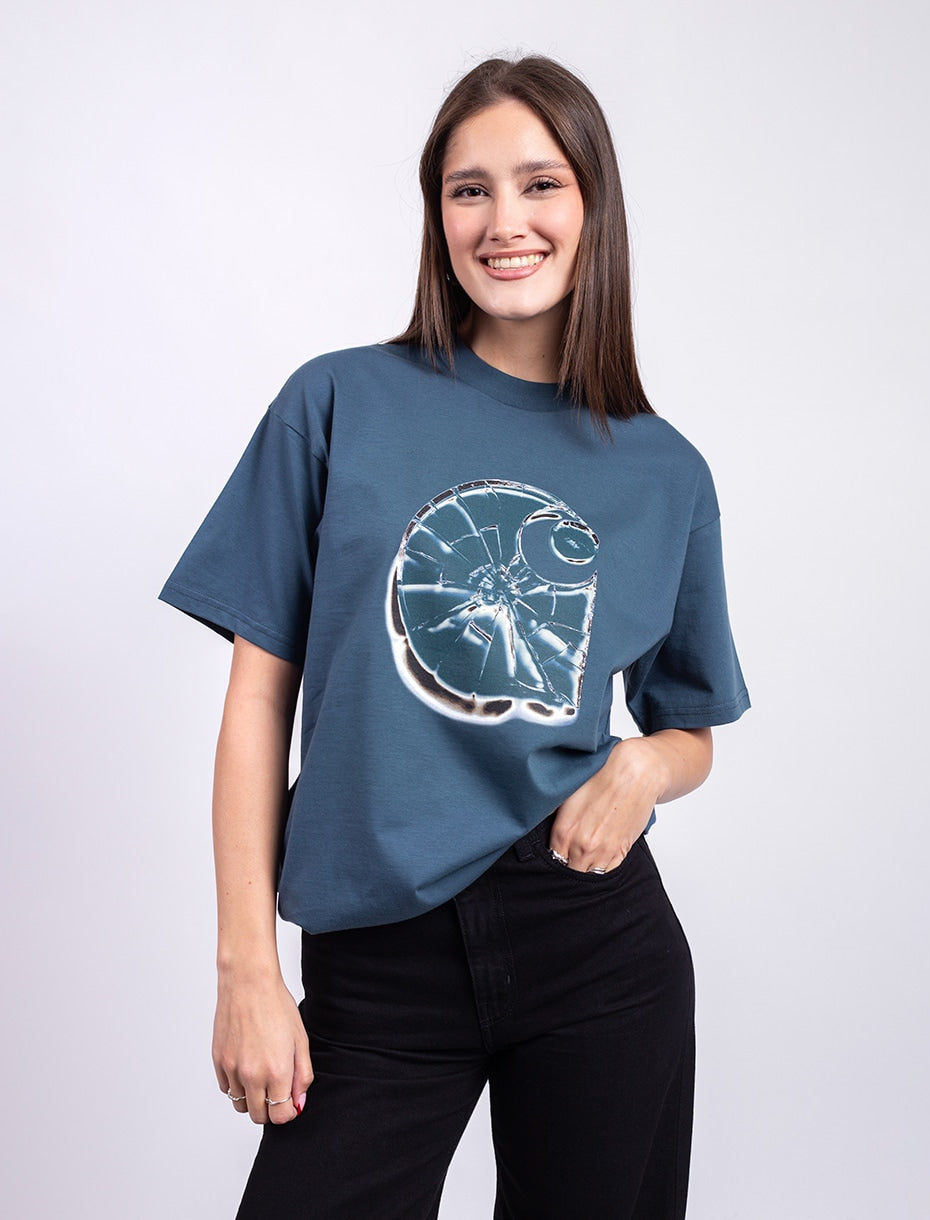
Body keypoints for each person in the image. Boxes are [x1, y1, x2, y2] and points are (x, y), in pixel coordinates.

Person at [160, 54, 749, 1220]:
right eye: (469, 189)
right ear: (438, 216)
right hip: (377, 954)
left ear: (594, 204)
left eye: (541, 183)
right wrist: (246, 966)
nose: (504, 221)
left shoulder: (666, 470)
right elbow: (257, 701)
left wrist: (641, 767)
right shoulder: (336, 403)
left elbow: (690, 727)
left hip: (593, 939)